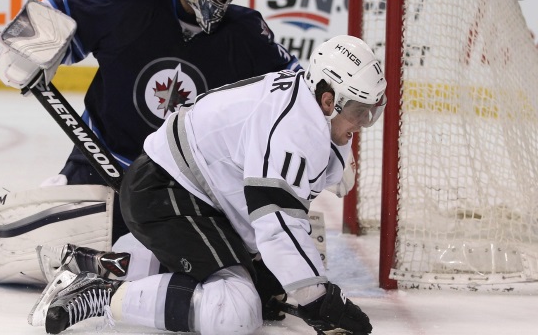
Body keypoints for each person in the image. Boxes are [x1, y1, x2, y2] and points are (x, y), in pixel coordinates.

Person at [29, 35, 384, 335]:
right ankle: (101, 295)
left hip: (180, 187)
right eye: (358, 111)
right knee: (235, 309)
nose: (363, 123)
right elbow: (276, 223)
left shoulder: (305, 103)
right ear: (327, 99)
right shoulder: (294, 130)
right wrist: (317, 298)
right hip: (167, 191)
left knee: (267, 282)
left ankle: (101, 263)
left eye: (371, 112)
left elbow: (284, 201)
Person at [0, 0, 300, 244]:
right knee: (54, 242)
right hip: (100, 156)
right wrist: (29, 47)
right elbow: (63, 8)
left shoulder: (245, 31)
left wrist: (324, 138)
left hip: (182, 181)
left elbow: (292, 86)